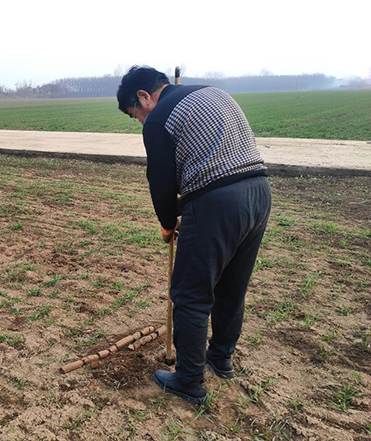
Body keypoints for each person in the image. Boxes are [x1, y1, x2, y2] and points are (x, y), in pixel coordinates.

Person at [117, 66, 271, 405]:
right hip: (258, 192)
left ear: (144, 97)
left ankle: (189, 381)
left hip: (218, 202)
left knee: (189, 295)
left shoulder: (159, 119)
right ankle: (221, 358)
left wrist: (167, 223)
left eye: (136, 115)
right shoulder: (212, 93)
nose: (141, 122)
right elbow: (212, 163)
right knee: (231, 287)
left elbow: (161, 184)